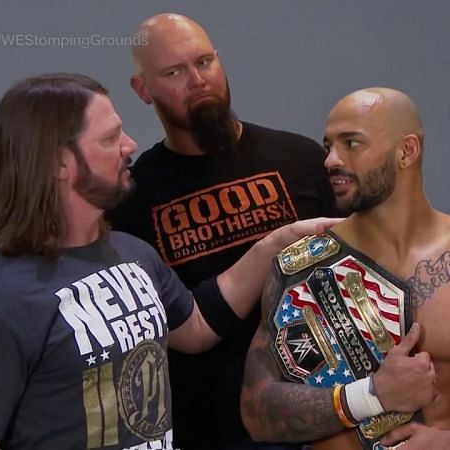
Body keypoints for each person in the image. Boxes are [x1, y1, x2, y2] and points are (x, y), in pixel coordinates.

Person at [0, 73, 339, 450]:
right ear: (59, 163)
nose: (130, 145)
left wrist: (278, 242)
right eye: (110, 139)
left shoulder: (132, 253)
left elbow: (195, 327)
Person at [240, 87, 450, 449]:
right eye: (328, 145)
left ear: (406, 151)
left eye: (351, 143)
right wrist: (371, 395)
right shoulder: (302, 265)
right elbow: (256, 410)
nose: (330, 160)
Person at [105, 13, 338, 450]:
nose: (197, 80)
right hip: (211, 427)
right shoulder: (132, 201)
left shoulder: (300, 158)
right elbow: (163, 328)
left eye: (205, 61)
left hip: (324, 411)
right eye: (174, 72)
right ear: (143, 90)